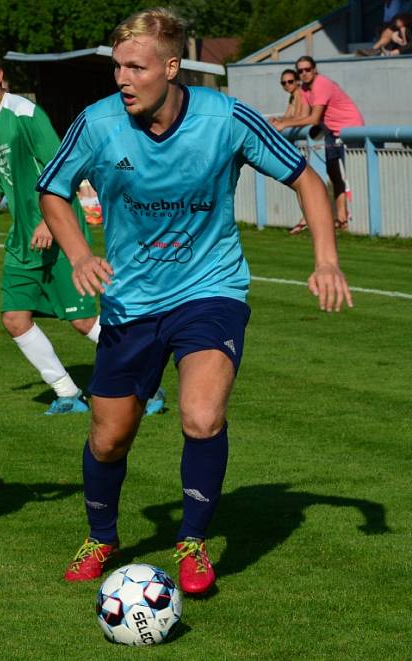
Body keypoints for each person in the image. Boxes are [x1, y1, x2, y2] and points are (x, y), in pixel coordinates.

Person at [37, 8, 352, 593]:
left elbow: (306, 179)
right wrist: (80, 253)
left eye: (136, 67)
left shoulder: (225, 117)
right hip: (130, 302)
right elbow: (52, 190)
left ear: (172, 67)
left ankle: (193, 541)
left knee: (202, 416)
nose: (122, 79)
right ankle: (101, 536)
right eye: (117, 67)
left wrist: (326, 259)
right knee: (109, 437)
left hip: (211, 289)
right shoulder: (98, 122)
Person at [0, 49, 98, 415]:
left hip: (58, 229)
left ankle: (146, 383)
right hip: (23, 240)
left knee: (83, 321)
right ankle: (67, 392)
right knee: (15, 318)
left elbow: (62, 169)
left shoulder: (24, 114)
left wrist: (47, 220)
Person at [272, 57, 365, 232]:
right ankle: (341, 218)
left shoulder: (321, 84)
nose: (304, 73)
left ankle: (350, 220)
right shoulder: (306, 89)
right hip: (333, 133)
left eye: (307, 69)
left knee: (348, 176)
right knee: (334, 174)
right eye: (300, 71)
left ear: (315, 69)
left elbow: (313, 119)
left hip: (350, 131)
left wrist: (284, 124)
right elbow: (303, 116)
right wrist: (280, 121)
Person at [271, 70, 310, 234]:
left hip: (310, 144)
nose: (287, 85)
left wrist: (282, 123)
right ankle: (306, 218)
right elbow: (288, 116)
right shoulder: (293, 96)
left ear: (297, 81)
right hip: (302, 145)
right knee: (301, 186)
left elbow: (302, 116)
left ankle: (307, 219)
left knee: (306, 186)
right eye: (284, 83)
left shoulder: (301, 93)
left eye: (290, 81)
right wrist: (278, 121)